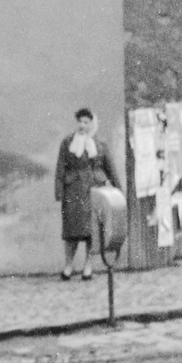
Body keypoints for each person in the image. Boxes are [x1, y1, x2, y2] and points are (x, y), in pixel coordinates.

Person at [55, 107, 121, 281]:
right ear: (76, 123)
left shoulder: (100, 143)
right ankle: (68, 266)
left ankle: (88, 266)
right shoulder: (68, 142)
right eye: (80, 122)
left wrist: (118, 189)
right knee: (71, 231)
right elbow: (60, 167)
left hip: (94, 190)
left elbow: (110, 168)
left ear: (92, 123)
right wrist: (59, 191)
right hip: (73, 191)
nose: (83, 125)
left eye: (86, 122)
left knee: (92, 231)